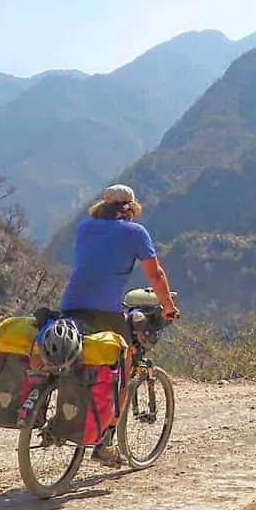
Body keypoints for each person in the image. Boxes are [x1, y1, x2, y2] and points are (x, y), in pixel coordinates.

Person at [59, 183, 179, 466]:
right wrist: (169, 306)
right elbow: (156, 274)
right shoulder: (135, 232)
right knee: (122, 373)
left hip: (70, 305)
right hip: (105, 311)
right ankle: (105, 443)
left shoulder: (85, 227)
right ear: (131, 208)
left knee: (78, 357)